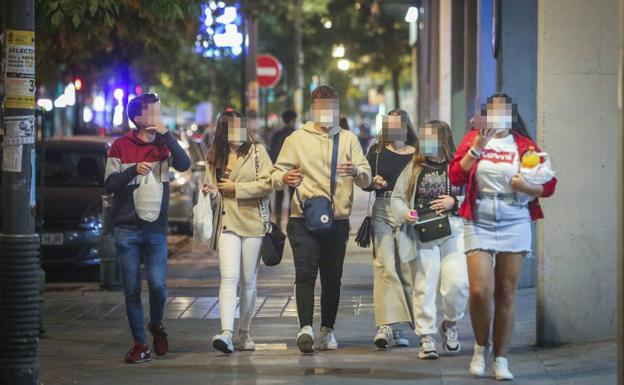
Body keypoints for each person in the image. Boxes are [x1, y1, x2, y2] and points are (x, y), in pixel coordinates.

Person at [449, 93, 557, 380]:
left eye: (503, 112)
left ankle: (501, 358)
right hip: (480, 218)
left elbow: (549, 186)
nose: (498, 117)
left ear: (511, 115)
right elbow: (456, 177)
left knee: (507, 292)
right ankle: (479, 348)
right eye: (493, 111)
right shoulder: (474, 138)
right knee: (479, 291)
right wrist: (476, 149)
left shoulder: (523, 144)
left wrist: (527, 187)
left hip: (515, 219)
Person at [271, 85, 372, 353]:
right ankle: (305, 328)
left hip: (337, 220)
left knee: (331, 277)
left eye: (331, 108)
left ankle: (327, 330)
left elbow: (366, 177)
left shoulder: (349, 139)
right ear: (313, 109)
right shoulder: (296, 139)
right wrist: (284, 177)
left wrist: (356, 171)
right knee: (305, 273)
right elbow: (275, 175)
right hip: (302, 217)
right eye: (322, 108)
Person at [104, 93, 191, 363]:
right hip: (126, 228)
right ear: (140, 118)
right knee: (131, 288)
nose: (159, 115)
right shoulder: (120, 146)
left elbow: (185, 164)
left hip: (155, 227)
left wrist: (168, 135)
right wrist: (133, 172)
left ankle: (157, 324)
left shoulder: (164, 146)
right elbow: (109, 184)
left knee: (158, 285)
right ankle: (140, 343)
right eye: (155, 111)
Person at [392, 120, 469, 360]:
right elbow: (396, 198)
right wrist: (406, 214)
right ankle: (426, 336)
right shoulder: (413, 168)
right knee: (424, 286)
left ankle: (450, 323)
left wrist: (454, 203)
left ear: (443, 140)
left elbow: (474, 196)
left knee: (458, 283)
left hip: (454, 230)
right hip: (422, 234)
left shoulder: (457, 167)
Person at [203, 111, 273, 354]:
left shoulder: (257, 152)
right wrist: (209, 192)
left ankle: (245, 333)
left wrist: (237, 188)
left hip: (253, 222)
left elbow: (268, 184)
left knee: (248, 281)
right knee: (229, 278)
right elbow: (212, 191)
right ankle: (227, 332)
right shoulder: (215, 156)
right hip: (227, 222)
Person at [362, 109, 416, 349]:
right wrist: (373, 182)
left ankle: (402, 326)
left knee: (406, 270)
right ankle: (385, 326)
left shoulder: (418, 154)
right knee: (384, 268)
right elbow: (365, 183)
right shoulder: (376, 152)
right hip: (383, 211)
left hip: (408, 214)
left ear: (406, 127)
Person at [269, 110, 297, 229]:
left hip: (279, 169)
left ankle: (278, 221)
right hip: (293, 170)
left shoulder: (277, 134)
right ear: (292, 120)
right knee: (292, 197)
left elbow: (272, 152)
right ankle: (292, 221)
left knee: (279, 196)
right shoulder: (296, 134)